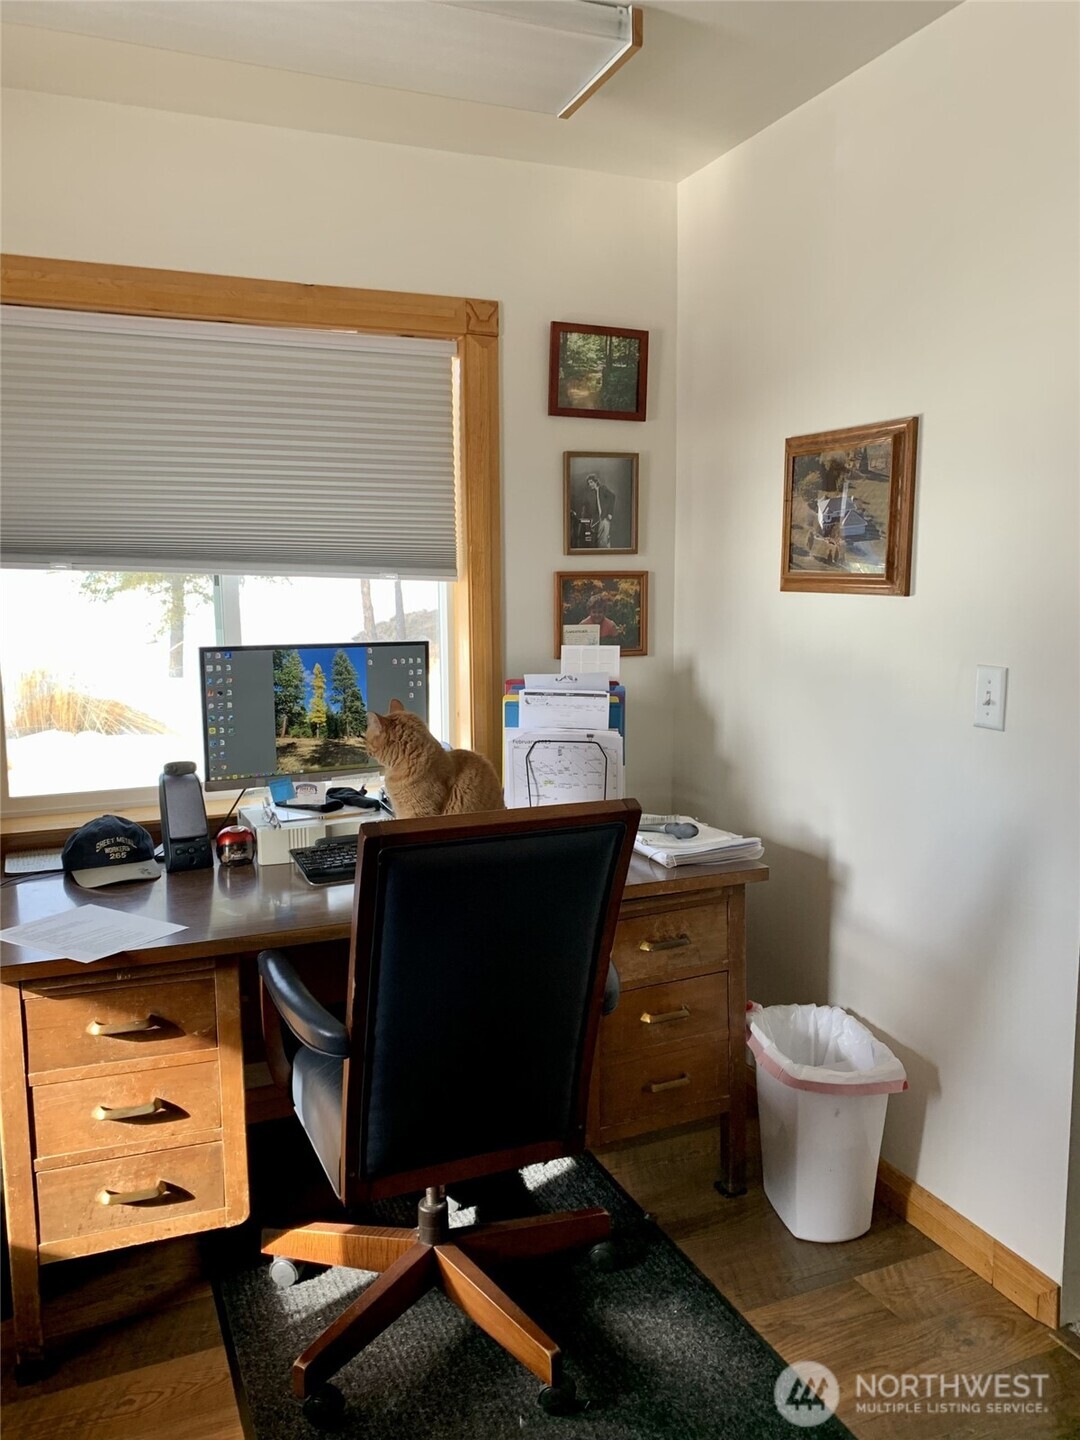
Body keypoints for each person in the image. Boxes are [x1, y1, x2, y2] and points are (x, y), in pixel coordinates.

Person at [572, 472, 616, 548]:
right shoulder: (596, 492)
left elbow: (612, 496)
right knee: (602, 539)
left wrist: (610, 513)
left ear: (596, 481)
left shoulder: (602, 488)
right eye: (589, 483)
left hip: (605, 518)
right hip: (601, 518)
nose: (590, 484)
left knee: (603, 540)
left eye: (591, 482)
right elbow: (597, 509)